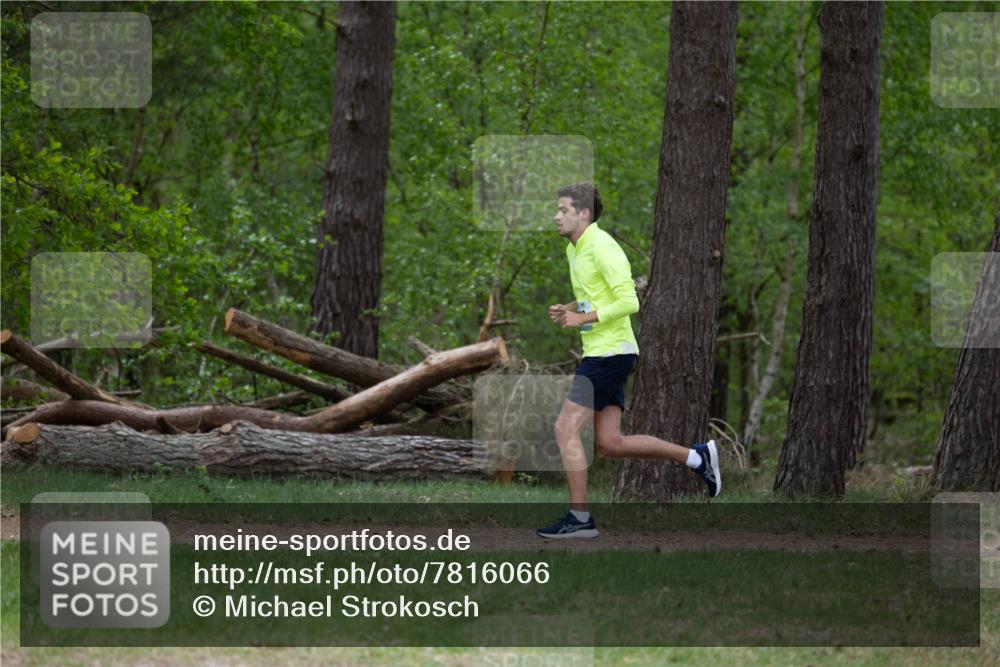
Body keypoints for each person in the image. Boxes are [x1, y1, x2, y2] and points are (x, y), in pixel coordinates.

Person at [536, 183, 721, 539]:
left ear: (584, 214)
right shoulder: (574, 250)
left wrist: (583, 319)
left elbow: (629, 302)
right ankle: (697, 458)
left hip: (610, 353)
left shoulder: (603, 247)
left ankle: (580, 520)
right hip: (603, 352)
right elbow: (597, 298)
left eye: (563, 210)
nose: (556, 216)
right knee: (610, 443)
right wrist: (571, 308)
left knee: (565, 429)